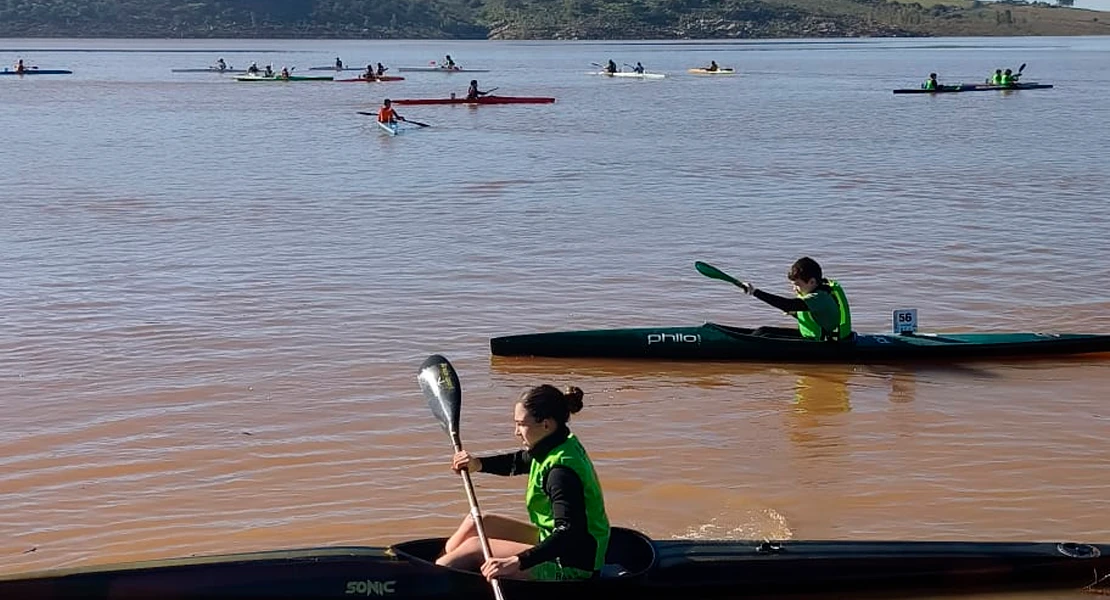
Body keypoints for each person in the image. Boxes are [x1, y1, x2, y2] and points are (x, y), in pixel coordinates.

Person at [436, 385, 611, 583]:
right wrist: (478, 464)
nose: (516, 432)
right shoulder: (556, 443)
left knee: (475, 547)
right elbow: (520, 461)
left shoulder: (561, 474)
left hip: (572, 566)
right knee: (478, 522)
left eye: (521, 424)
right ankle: (443, 567)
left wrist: (518, 561)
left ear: (546, 425)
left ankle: (430, 581)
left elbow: (569, 532)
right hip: (551, 540)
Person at [732, 256, 853, 342]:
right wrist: (794, 313)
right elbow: (819, 317)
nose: (794, 289)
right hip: (815, 338)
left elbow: (788, 304)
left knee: (764, 336)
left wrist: (754, 292)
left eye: (797, 284)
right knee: (762, 331)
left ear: (812, 281)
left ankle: (734, 345)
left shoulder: (819, 297)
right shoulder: (819, 289)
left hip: (828, 344)